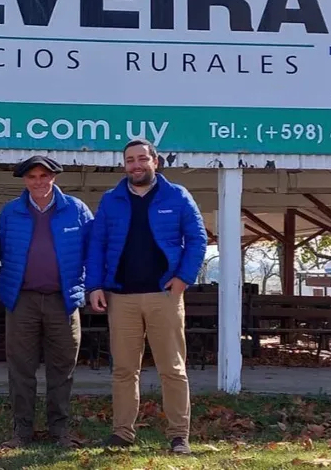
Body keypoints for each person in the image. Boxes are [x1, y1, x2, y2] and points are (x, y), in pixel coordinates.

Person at [85, 138, 208, 455]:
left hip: (163, 296)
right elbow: (97, 244)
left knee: (172, 369)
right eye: (130, 160)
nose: (136, 165)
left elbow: (197, 239)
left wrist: (183, 279)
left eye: (142, 159)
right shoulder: (111, 200)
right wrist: (95, 285)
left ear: (156, 161)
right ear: (124, 165)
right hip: (121, 297)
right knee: (124, 370)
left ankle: (179, 436)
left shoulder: (177, 195)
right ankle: (122, 433)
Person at [0, 155, 94, 449]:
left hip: (63, 300)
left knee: (62, 368)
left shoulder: (77, 209)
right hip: (21, 300)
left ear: (54, 177)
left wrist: (88, 285)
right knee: (20, 369)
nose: (38, 182)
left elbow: (92, 250)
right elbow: (4, 251)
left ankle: (59, 430)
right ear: (25, 180)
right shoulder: (10, 212)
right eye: (32, 177)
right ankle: (22, 431)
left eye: (44, 176)